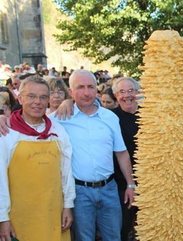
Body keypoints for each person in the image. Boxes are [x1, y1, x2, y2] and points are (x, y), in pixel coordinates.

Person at [55, 70, 136, 241]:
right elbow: (33, 122)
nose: (86, 92)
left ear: (96, 90)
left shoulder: (110, 117)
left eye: (90, 87)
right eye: (80, 87)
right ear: (71, 92)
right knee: (85, 238)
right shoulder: (61, 118)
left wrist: (130, 185)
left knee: (114, 236)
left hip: (110, 189)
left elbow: (121, 153)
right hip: (80, 192)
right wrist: (4, 119)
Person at [0, 75, 75, 241]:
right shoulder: (7, 133)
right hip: (20, 216)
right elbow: (0, 180)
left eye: (42, 97)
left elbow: (66, 172)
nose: (37, 102)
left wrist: (68, 205)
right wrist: (2, 217)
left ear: (48, 100)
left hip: (53, 213)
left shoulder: (58, 130)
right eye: (31, 96)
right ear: (20, 98)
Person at [111, 77, 140, 241]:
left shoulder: (149, 116)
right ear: (116, 95)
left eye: (131, 91)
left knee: (149, 227)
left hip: (149, 182)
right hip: (121, 183)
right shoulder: (110, 117)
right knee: (122, 227)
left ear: (137, 92)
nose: (127, 95)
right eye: (122, 92)